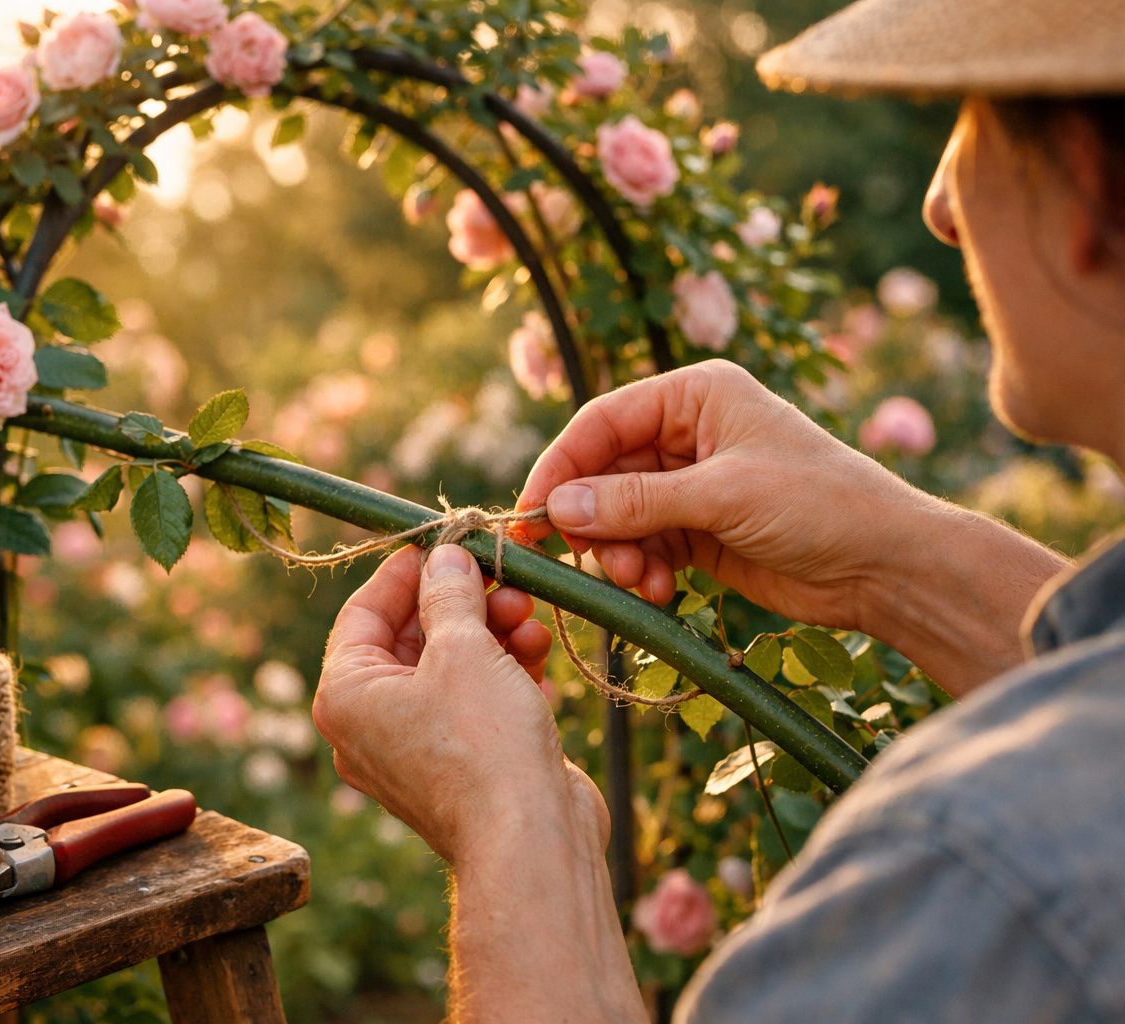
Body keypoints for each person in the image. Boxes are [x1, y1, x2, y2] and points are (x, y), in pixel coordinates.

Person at [313, 0, 1125, 1019]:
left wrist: (513, 826)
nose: (939, 204)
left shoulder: (988, 877)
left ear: (1090, 176)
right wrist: (891, 561)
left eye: (974, 119)